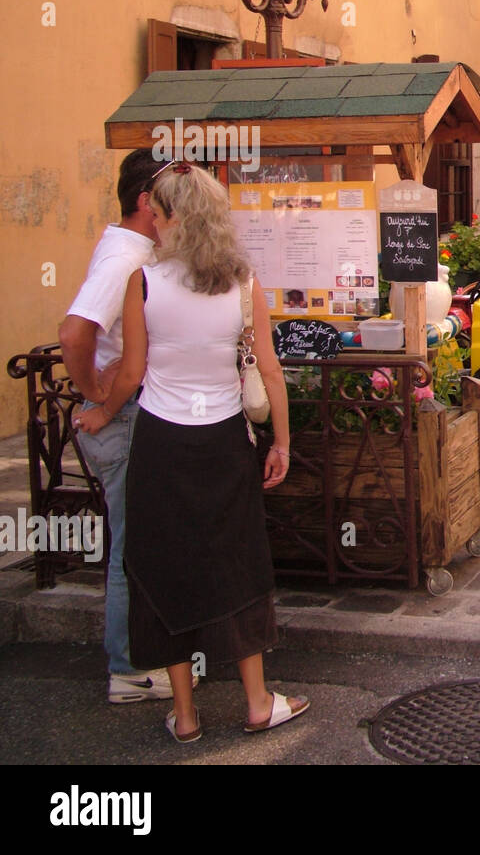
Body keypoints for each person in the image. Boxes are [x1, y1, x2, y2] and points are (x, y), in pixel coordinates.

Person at [75, 162, 307, 742]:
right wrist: (280, 441)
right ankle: (257, 702)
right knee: (238, 564)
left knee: (163, 567)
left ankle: (185, 715)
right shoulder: (243, 281)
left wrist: (101, 412)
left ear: (175, 217)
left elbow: (131, 372)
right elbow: (271, 371)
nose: (149, 215)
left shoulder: (144, 283)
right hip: (225, 438)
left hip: (161, 441)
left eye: (157, 208)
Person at [59, 148, 189, 705]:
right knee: (132, 548)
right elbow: (73, 333)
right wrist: (98, 396)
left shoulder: (129, 247)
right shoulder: (128, 256)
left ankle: (136, 661)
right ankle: (129, 668)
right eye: (171, 197)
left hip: (126, 413)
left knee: (135, 542)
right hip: (126, 417)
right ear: (146, 202)